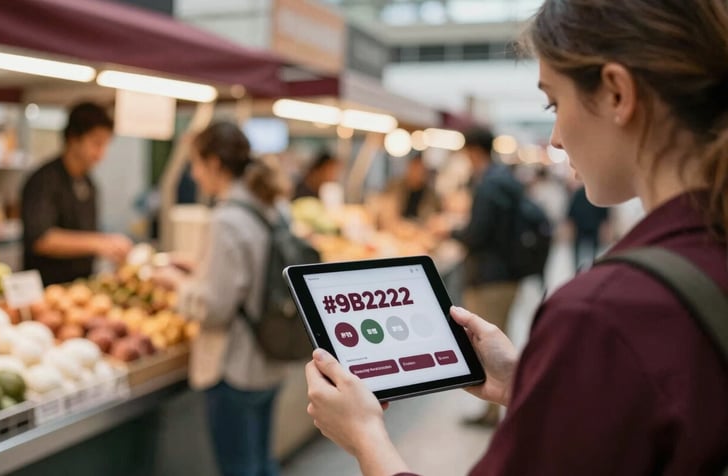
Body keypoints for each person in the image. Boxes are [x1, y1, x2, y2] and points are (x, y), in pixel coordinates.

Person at [304, 1, 728, 475]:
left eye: (555, 103)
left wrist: (364, 437)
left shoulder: (604, 314)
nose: (555, 138)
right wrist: (529, 383)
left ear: (616, 93)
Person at [154, 121, 289, 476]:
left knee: (239, 469)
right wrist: (201, 267)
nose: (195, 174)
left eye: (196, 164)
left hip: (235, 365)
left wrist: (174, 284)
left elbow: (214, 308)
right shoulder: (271, 207)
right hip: (271, 356)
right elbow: (252, 276)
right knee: (262, 462)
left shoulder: (227, 219)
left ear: (214, 163)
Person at [447, 126, 525, 426]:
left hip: (490, 276)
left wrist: (452, 230)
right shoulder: (505, 179)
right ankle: (502, 407)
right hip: (509, 273)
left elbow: (477, 234)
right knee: (501, 334)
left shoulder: (487, 184)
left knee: (485, 340)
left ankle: (495, 412)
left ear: (473, 151)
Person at [21, 102, 132, 286]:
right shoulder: (43, 181)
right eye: (96, 143)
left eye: (105, 145)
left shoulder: (89, 183)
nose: (101, 153)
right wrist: (99, 243)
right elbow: (41, 239)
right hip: (46, 289)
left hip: (82, 287)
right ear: (73, 138)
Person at [567, 185, 610, 269]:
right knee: (592, 253)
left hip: (585, 227)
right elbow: (604, 217)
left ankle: (578, 270)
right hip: (589, 227)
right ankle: (591, 269)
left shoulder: (578, 194)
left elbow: (571, 215)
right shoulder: (596, 194)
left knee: (579, 253)